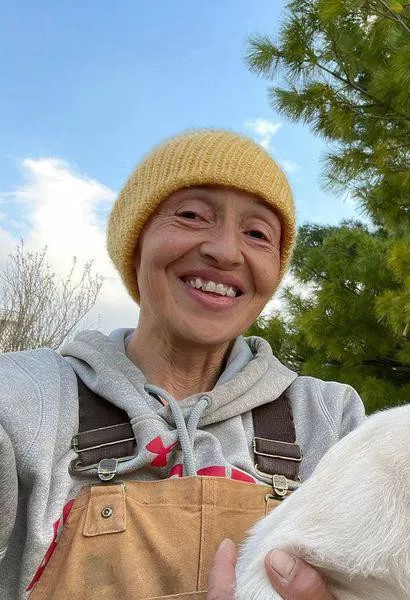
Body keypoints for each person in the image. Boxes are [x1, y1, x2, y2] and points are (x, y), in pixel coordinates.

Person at [0, 130, 365, 599]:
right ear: (135, 242)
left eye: (257, 234)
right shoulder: (24, 400)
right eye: (192, 215)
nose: (226, 251)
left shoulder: (331, 421)